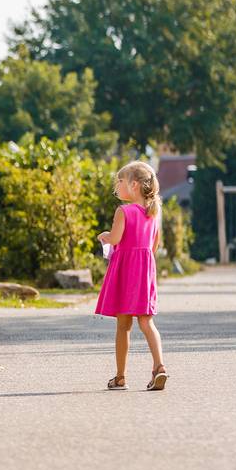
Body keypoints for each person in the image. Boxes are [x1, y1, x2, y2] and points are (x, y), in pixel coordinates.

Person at [95, 161, 168, 391]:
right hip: (144, 271)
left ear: (134, 185)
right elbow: (153, 246)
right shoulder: (153, 214)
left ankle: (120, 377)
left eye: (120, 181)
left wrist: (106, 236)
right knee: (146, 321)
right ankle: (159, 367)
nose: (117, 185)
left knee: (123, 325)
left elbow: (116, 239)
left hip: (125, 272)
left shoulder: (123, 212)